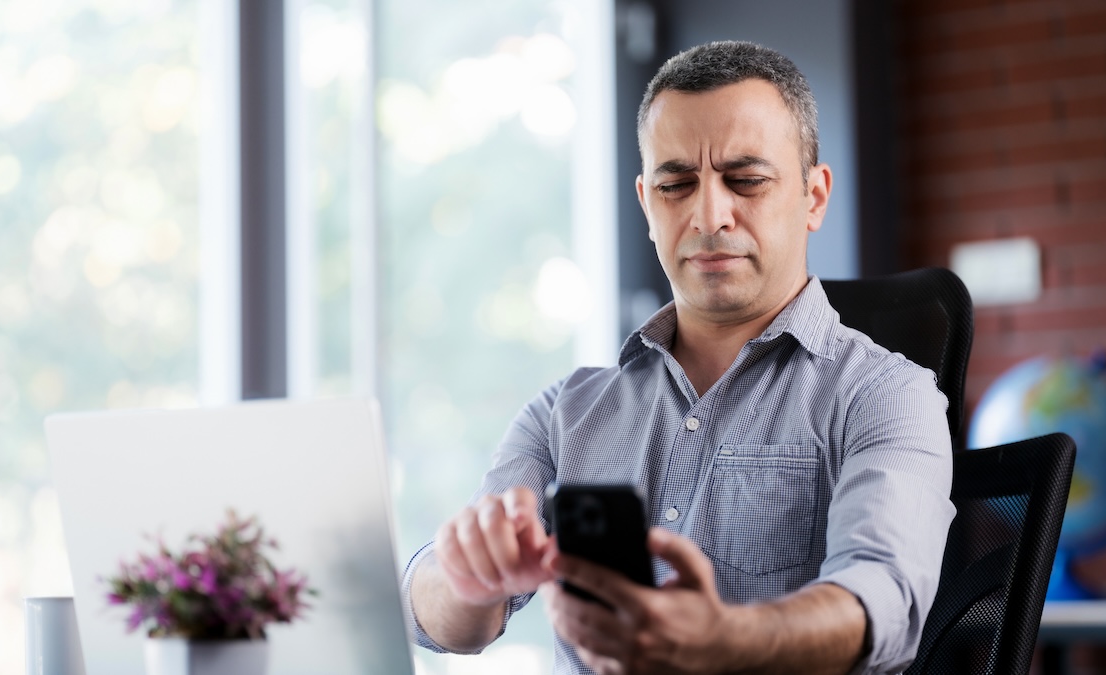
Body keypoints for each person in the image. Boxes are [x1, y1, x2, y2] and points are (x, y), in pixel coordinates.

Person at [400, 40, 954, 675]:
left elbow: (882, 606)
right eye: (675, 184)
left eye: (746, 180)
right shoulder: (564, 413)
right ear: (646, 204)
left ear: (815, 197)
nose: (708, 215)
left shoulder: (887, 395)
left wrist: (730, 639)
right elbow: (440, 626)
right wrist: (468, 577)